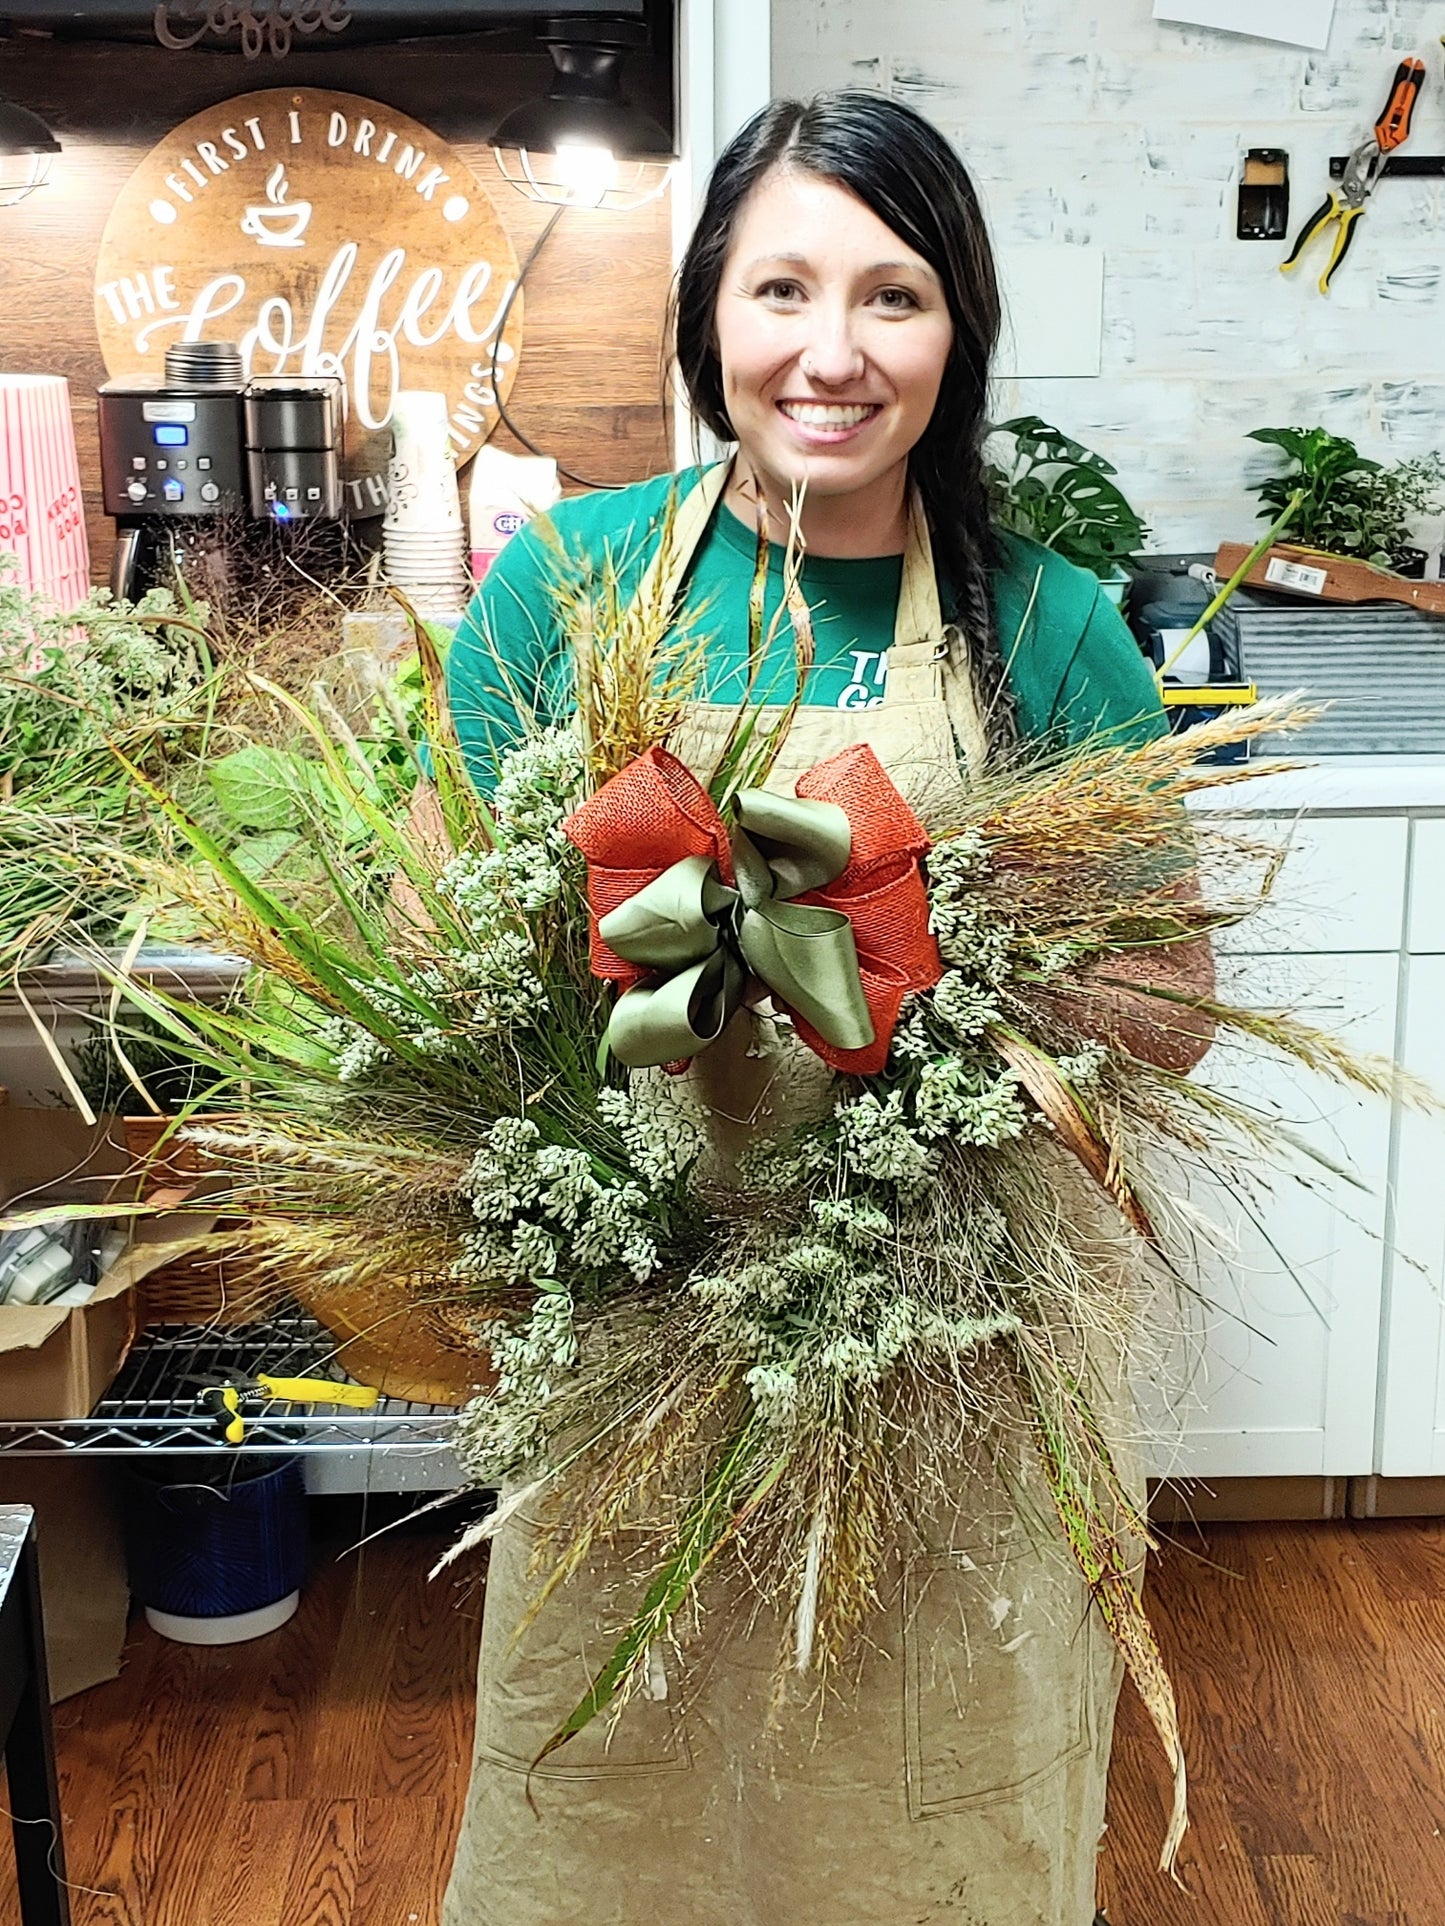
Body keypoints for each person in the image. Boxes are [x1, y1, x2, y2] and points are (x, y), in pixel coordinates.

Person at [442, 90, 1211, 1926]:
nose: (832, 352)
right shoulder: (572, 580)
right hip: (642, 1314)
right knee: (612, 1773)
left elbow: (1175, 1004)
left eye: (895, 295)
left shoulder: (1048, 626)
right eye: (782, 288)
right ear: (709, 310)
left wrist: (943, 944)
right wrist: (605, 924)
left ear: (958, 333)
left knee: (933, 1788)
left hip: (955, 1343)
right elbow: (425, 928)